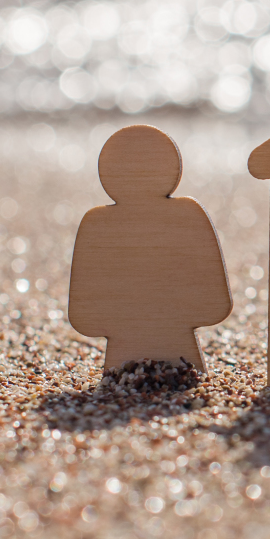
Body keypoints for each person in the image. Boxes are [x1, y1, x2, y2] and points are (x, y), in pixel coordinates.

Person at [68, 126, 231, 376]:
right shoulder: (189, 214)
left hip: (124, 349)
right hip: (177, 343)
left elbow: (84, 312)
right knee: (178, 364)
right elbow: (215, 300)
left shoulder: (96, 222)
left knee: (125, 369)